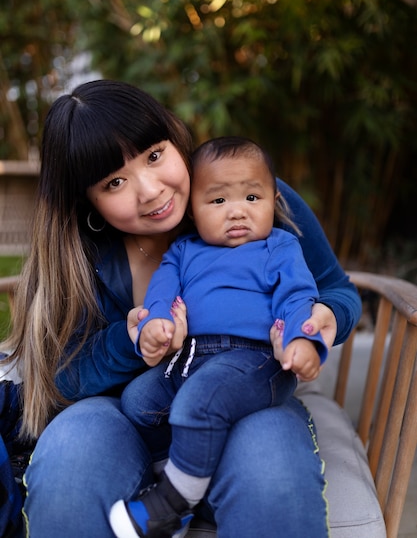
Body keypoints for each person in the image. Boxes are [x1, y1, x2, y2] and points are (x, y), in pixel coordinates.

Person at [0, 79, 361, 538]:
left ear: (173, 135)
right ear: (85, 200)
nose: (150, 190)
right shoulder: (78, 254)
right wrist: (132, 341)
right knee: (72, 461)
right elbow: (59, 377)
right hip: (121, 416)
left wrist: (326, 316)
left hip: (245, 399)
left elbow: (337, 289)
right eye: (114, 182)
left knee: (272, 472)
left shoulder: (242, 191)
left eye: (154, 155)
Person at [110, 136, 328, 538]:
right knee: (138, 401)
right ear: (192, 209)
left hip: (255, 360)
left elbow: (298, 297)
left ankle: (170, 505)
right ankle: (184, 479)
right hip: (191, 357)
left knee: (201, 401)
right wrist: (156, 324)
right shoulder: (184, 250)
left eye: (251, 197)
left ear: (273, 200)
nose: (237, 212)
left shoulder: (278, 247)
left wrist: (304, 341)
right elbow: (162, 292)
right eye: (218, 201)